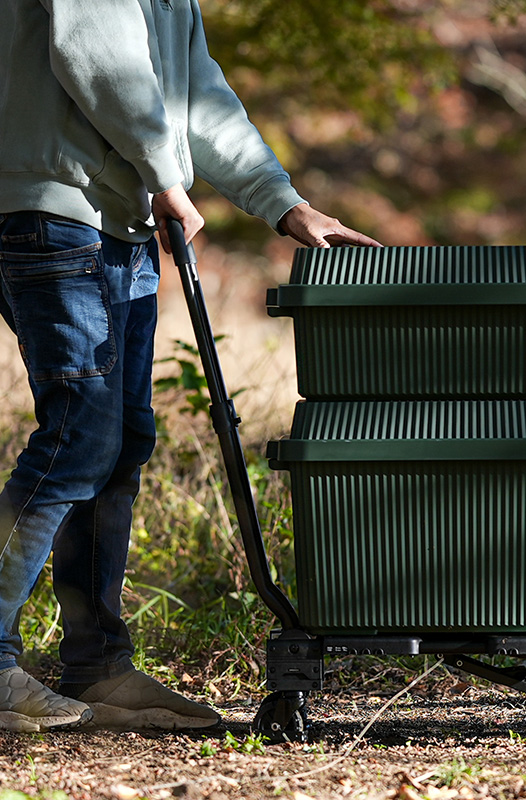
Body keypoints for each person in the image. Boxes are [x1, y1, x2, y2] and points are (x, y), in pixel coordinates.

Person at [0, 0, 380, 733]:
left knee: (118, 442)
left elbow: (197, 95)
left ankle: (98, 666)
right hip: (55, 211)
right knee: (79, 436)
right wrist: (165, 175)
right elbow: (96, 53)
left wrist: (283, 203)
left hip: (118, 221)